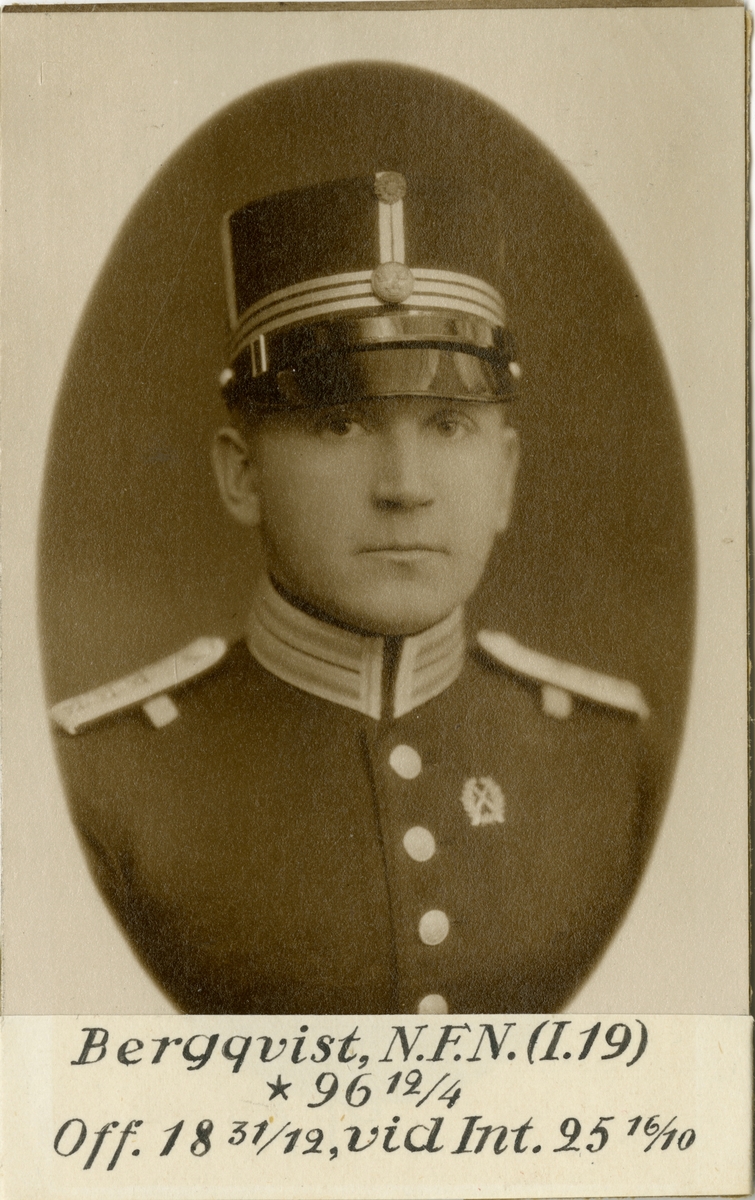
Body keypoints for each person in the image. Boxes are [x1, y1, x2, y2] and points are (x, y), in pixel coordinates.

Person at [51, 171, 651, 1016]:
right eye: (340, 423)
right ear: (242, 474)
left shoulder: (611, 760)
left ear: (506, 476)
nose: (404, 487)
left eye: (448, 425)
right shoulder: (101, 785)